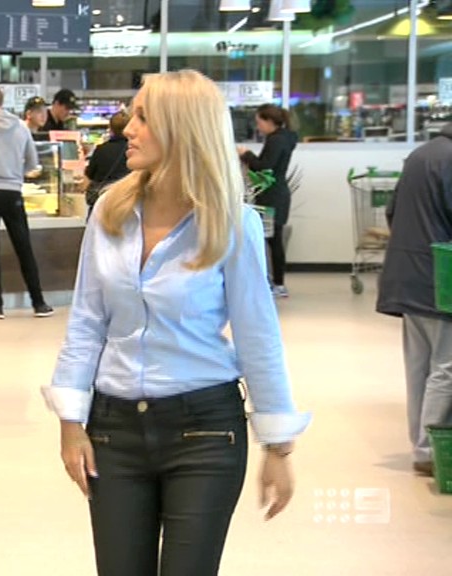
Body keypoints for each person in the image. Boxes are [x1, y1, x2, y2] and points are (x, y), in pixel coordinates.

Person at [42, 70, 310, 576]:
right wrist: (70, 424)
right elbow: (86, 323)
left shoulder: (232, 223)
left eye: (143, 117)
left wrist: (278, 445)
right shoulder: (109, 213)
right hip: (114, 430)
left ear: (183, 129)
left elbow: (257, 336)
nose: (129, 128)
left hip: (205, 431)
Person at [376, 122, 452, 477]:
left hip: (408, 275)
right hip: (440, 278)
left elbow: (392, 213)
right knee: (446, 368)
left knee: (419, 368)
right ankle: (431, 450)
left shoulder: (422, 154)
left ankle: (421, 447)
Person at [0, 84, 53, 320]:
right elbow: (32, 162)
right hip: (12, 192)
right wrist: (15, 174)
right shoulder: (21, 127)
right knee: (24, 247)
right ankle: (39, 303)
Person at [238, 104, 298, 298]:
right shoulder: (284, 138)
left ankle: (277, 284)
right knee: (272, 239)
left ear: (270, 121)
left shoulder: (276, 140)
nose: (258, 127)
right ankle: (275, 282)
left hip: (272, 196)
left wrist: (246, 154)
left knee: (273, 240)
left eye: (259, 122)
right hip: (276, 195)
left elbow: (265, 167)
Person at [82, 110, 131, 218]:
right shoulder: (133, 150)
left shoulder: (101, 149)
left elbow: (89, 176)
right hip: (126, 201)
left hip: (101, 202)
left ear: (110, 128)